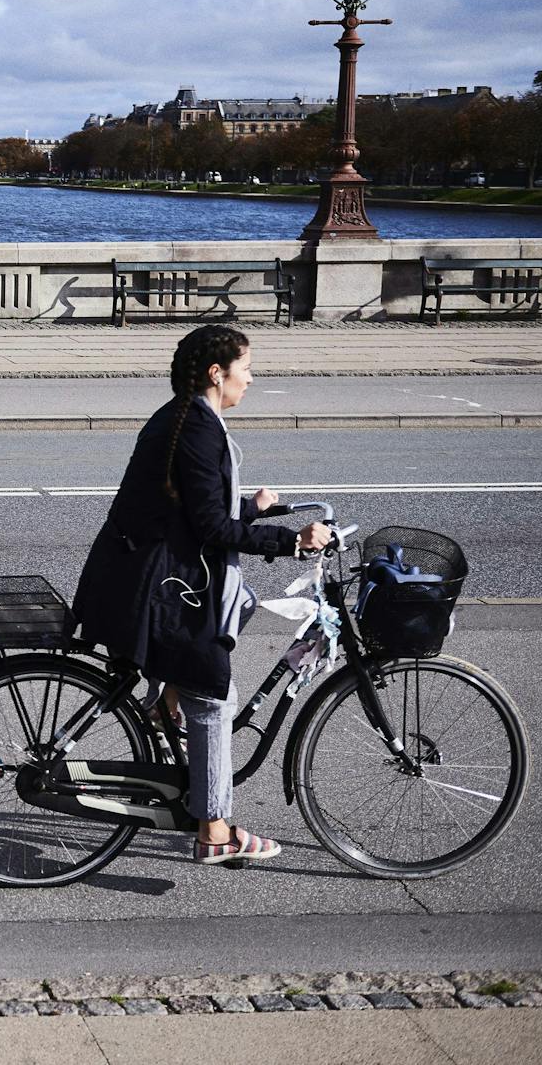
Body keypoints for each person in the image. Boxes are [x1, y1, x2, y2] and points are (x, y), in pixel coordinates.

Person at [72, 324, 331, 865]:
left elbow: (192, 512)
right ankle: (215, 830)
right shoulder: (197, 428)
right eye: (247, 368)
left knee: (238, 611)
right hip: (157, 588)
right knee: (215, 701)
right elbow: (210, 528)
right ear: (218, 373)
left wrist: (252, 511)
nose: (252, 379)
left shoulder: (185, 419)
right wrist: (292, 541)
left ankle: (165, 701)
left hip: (151, 576)